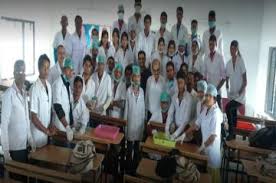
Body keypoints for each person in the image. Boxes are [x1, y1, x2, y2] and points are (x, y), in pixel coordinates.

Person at [176, 84, 223, 183]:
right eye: (206, 95)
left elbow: (213, 137)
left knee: (213, 178)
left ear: (214, 98)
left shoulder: (216, 113)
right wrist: (184, 134)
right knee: (205, 177)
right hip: (205, 150)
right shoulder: (206, 108)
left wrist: (202, 147)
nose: (205, 98)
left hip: (212, 151)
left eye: (208, 96)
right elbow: (196, 125)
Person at [1, 60, 35, 163]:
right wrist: (6, 152)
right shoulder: (8, 95)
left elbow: (26, 119)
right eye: (18, 71)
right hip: (15, 148)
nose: (21, 74)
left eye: (23, 71)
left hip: (25, 145)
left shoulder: (24, 94)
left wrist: (30, 139)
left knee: (25, 176)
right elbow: (4, 126)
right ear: (13, 74)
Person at [30, 54, 55, 148]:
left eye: (48, 68)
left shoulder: (49, 86)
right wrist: (46, 131)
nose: (46, 71)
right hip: (37, 136)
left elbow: (50, 110)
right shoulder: (34, 88)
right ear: (39, 68)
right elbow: (33, 117)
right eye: (43, 67)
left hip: (47, 134)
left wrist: (51, 125)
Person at [124, 65, 145, 172]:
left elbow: (142, 110)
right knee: (129, 149)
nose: (136, 78)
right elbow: (126, 110)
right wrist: (125, 125)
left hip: (139, 125)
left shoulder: (142, 91)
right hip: (130, 123)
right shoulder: (128, 91)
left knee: (137, 150)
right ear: (132, 77)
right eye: (135, 76)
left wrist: (143, 125)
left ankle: (136, 170)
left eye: (138, 76)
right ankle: (128, 170)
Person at [225, 40, 247, 141]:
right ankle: (232, 136)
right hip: (232, 94)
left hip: (240, 95)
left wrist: (240, 92)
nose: (232, 50)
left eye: (234, 48)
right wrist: (227, 87)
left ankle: (231, 132)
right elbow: (227, 77)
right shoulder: (229, 63)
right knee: (232, 112)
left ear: (237, 49)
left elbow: (245, 81)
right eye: (231, 48)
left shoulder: (240, 61)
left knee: (228, 108)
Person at [165, 71, 193, 140]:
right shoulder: (174, 96)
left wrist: (175, 134)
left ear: (185, 83)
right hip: (175, 128)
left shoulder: (189, 98)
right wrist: (166, 129)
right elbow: (170, 113)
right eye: (178, 83)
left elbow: (186, 120)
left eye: (181, 83)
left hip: (184, 131)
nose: (179, 85)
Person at [52, 58, 74, 142]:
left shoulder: (67, 84)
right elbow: (57, 107)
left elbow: (69, 106)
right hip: (60, 128)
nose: (72, 72)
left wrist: (71, 124)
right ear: (65, 70)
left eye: (72, 70)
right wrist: (67, 127)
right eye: (70, 70)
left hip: (66, 126)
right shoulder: (57, 84)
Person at [203, 35, 226, 108]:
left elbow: (224, 77)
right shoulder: (206, 58)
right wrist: (208, 88)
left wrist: (216, 89)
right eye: (210, 44)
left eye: (213, 44)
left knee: (218, 114)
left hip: (217, 92)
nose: (211, 46)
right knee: (208, 112)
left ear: (216, 44)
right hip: (209, 92)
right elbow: (204, 76)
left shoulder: (220, 57)